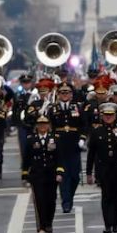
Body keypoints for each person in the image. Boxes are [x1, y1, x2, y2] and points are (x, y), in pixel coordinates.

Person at [86, 103, 117, 233]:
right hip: (104, 169)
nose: (108, 118)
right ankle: (107, 224)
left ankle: (115, 222)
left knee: (116, 196)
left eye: (110, 115)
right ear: (102, 116)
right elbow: (91, 154)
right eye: (106, 115)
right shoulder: (96, 131)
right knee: (106, 196)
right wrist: (89, 172)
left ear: (115, 116)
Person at [22, 114, 63, 233]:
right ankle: (41, 227)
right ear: (37, 126)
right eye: (40, 124)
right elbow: (26, 158)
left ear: (49, 125)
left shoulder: (55, 138)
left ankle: (48, 223)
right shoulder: (31, 139)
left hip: (51, 174)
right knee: (39, 201)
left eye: (45, 124)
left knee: (51, 201)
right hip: (37, 174)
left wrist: (60, 172)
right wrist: (25, 174)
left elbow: (59, 157)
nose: (42, 127)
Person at [48, 84, 83, 213]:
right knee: (63, 174)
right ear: (58, 95)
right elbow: (50, 126)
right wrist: (51, 140)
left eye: (67, 93)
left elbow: (83, 125)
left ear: (71, 94)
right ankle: (66, 202)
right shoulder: (53, 109)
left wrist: (82, 139)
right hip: (60, 144)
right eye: (62, 93)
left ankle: (70, 196)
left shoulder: (78, 108)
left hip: (74, 144)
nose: (65, 95)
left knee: (75, 176)